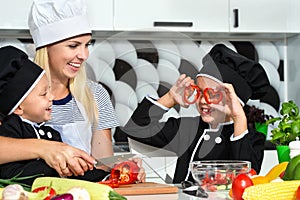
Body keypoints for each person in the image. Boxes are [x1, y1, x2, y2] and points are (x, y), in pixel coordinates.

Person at [27, 0, 145, 182]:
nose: (84, 55)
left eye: (87, 45)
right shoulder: (18, 95)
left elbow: (101, 163)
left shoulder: (95, 95)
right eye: (73, 46)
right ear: (46, 47)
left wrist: (122, 167)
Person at [121, 44, 270, 183]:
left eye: (212, 94)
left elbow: (246, 180)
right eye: (200, 92)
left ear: (235, 101)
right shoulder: (187, 128)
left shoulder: (252, 139)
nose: (203, 101)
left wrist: (239, 118)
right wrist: (170, 98)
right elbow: (136, 128)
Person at [0, 45, 84, 184]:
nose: (51, 97)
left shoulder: (51, 132)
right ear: (19, 108)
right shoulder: (12, 128)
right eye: (44, 93)